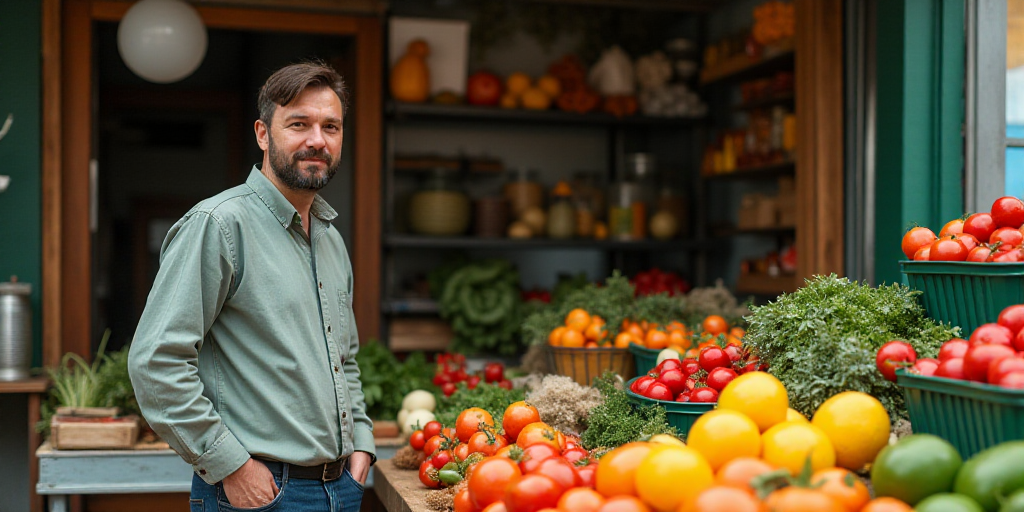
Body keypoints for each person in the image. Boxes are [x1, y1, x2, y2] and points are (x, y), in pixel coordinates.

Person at [128, 61, 374, 512]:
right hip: (257, 495)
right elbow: (156, 363)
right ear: (263, 134)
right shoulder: (218, 226)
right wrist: (232, 467)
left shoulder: (331, 240)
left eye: (330, 126)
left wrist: (362, 445)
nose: (317, 140)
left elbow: (346, 362)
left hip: (341, 489)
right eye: (298, 124)